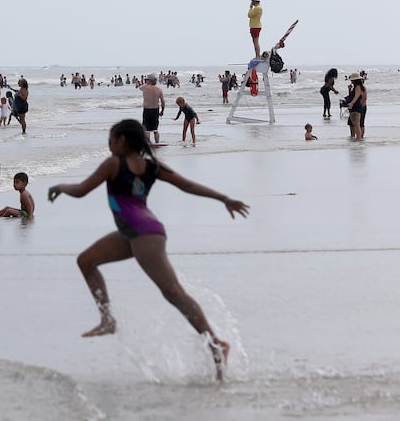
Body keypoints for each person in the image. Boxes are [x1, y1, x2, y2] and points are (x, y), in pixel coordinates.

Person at [47, 119, 249, 381]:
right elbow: (187, 185)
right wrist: (223, 199)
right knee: (86, 260)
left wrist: (61, 187)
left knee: (174, 293)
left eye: (110, 140)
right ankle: (108, 320)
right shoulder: (152, 166)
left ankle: (215, 343)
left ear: (121, 140)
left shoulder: (114, 164)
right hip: (133, 234)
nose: (109, 145)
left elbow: (82, 190)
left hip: (144, 235)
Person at [139, 73, 165, 143]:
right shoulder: (159, 89)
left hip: (147, 110)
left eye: (147, 80)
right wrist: (162, 111)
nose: (146, 81)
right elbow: (163, 101)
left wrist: (146, 83)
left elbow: (139, 87)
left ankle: (148, 143)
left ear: (149, 80)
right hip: (155, 110)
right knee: (155, 129)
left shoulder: (145, 87)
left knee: (146, 129)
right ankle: (157, 143)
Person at [346, 73, 366, 139]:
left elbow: (357, 96)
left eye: (352, 80)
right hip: (356, 106)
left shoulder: (358, 87)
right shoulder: (357, 87)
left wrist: (351, 103)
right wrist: (349, 90)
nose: (351, 81)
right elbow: (352, 96)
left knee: (357, 124)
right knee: (355, 123)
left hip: (356, 106)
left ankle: (358, 138)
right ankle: (357, 138)